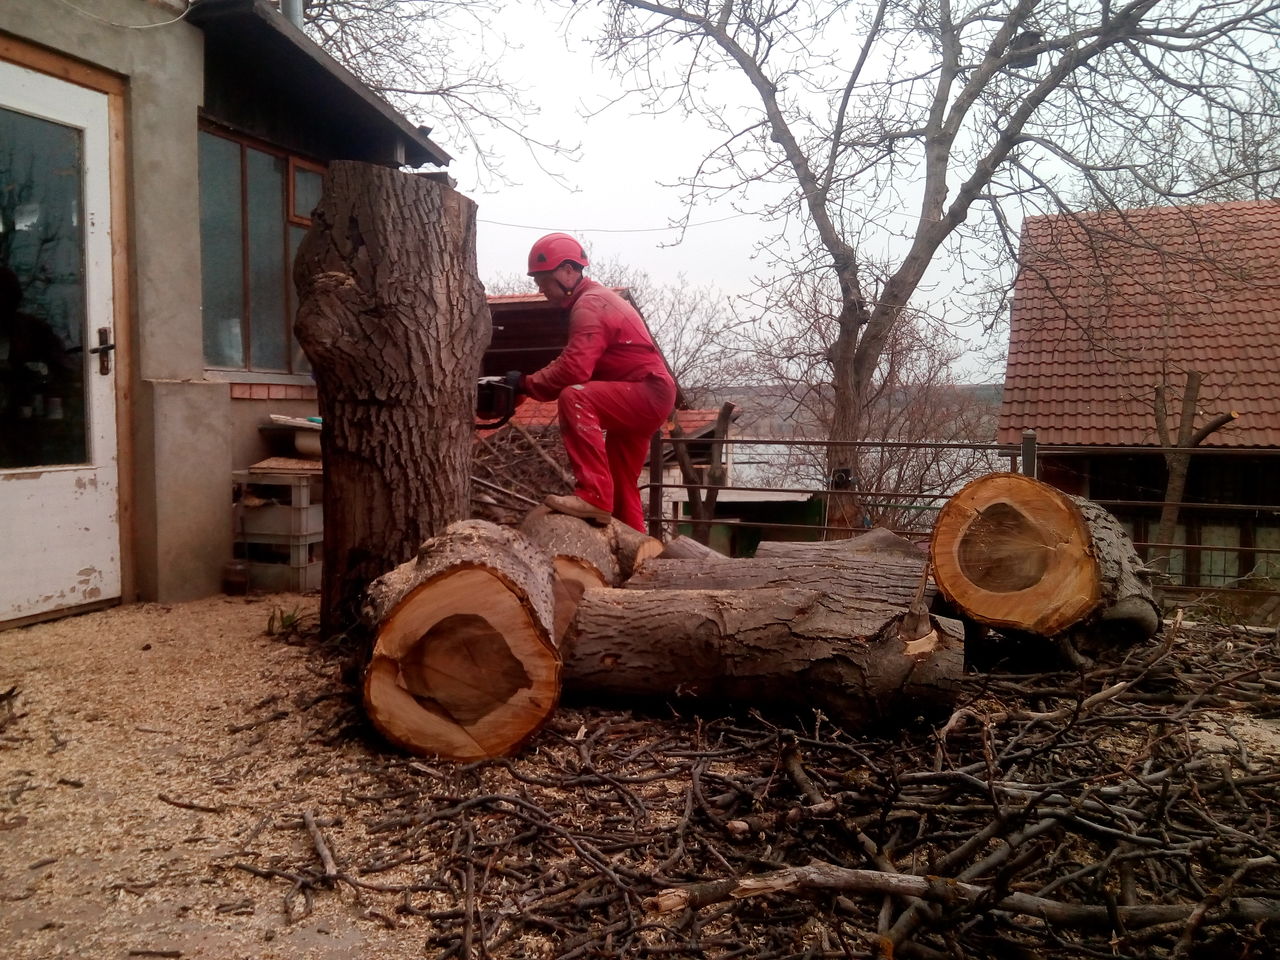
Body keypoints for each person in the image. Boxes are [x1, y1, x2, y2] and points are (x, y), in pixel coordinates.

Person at [517, 233, 676, 532]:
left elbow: (574, 370)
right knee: (620, 483)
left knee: (575, 397)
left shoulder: (590, 304)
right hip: (646, 394)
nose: (542, 290)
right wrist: (527, 384)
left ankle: (593, 495)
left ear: (567, 271)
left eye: (543, 281)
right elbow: (572, 360)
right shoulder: (595, 300)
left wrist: (526, 385)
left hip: (645, 391)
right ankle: (637, 554)